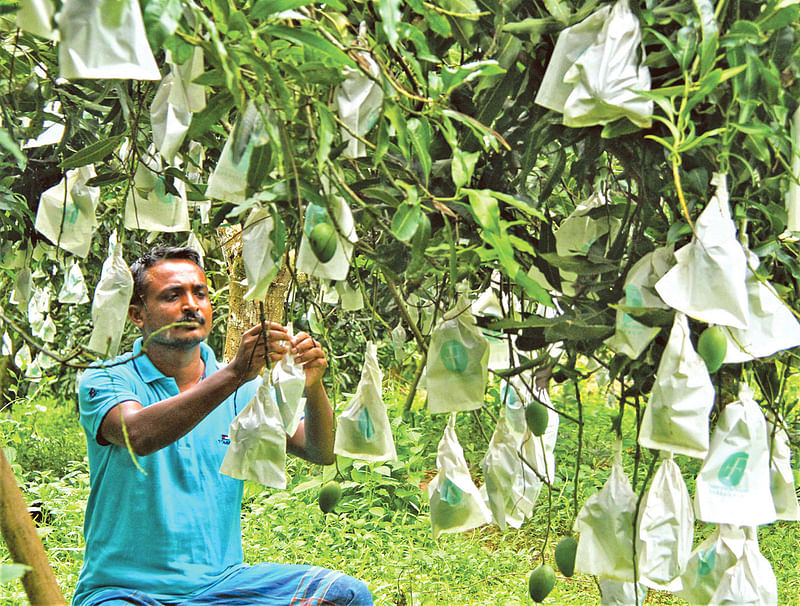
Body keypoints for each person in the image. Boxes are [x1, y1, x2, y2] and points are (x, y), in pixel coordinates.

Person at [73, 246, 373, 606]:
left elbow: (319, 451)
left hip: (224, 585)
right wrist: (234, 373)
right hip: (124, 591)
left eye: (199, 293)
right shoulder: (106, 379)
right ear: (137, 314)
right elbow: (138, 435)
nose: (191, 305)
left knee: (347, 596)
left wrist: (312, 385)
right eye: (172, 295)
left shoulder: (242, 389)